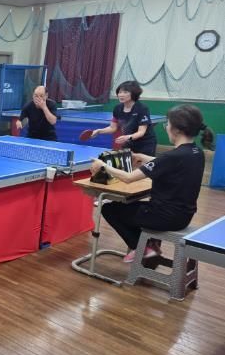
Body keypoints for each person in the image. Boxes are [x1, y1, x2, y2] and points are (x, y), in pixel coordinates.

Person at [90, 104, 214, 263]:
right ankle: (150, 247)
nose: (166, 127)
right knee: (130, 207)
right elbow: (165, 163)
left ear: (176, 130)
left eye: (167, 124)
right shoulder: (196, 152)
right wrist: (142, 156)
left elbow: (128, 178)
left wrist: (103, 166)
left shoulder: (172, 156)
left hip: (162, 217)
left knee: (108, 208)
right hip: (183, 216)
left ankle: (143, 248)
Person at [90, 80, 157, 156]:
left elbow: (141, 132)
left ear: (133, 94)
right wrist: (99, 131)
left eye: (125, 92)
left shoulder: (142, 108)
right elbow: (112, 128)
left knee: (143, 163)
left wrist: (128, 137)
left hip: (145, 143)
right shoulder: (117, 108)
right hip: (129, 142)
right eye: (120, 92)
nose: (121, 95)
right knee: (125, 162)